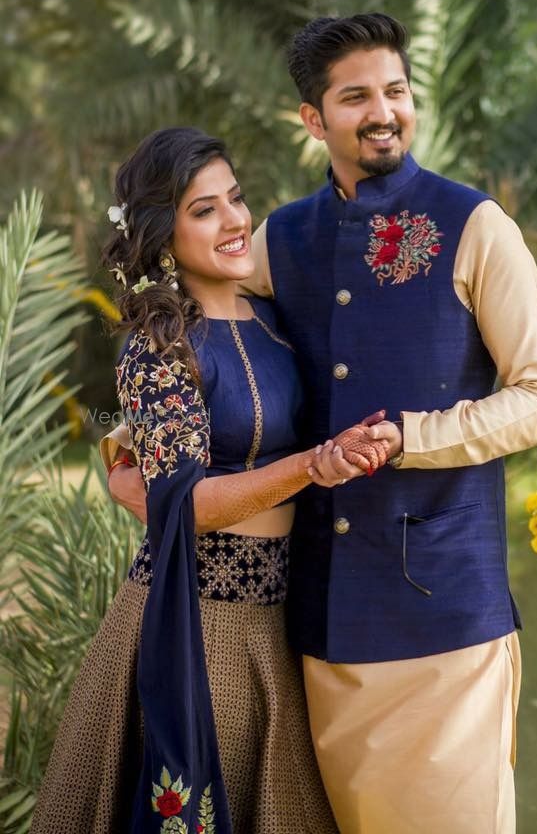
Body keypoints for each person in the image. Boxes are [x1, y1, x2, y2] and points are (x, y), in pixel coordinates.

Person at [111, 13, 537, 833]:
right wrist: (130, 441)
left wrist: (412, 437)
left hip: (446, 621)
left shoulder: (476, 226)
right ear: (313, 120)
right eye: (355, 96)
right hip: (317, 625)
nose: (382, 111)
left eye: (394, 90)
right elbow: (198, 306)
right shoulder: (282, 236)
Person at [30, 127, 377, 834]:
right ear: (164, 232)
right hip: (195, 620)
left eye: (236, 199)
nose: (235, 221)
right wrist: (312, 465)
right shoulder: (159, 348)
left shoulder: (279, 325)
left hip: (283, 622)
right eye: (204, 209)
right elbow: (186, 509)